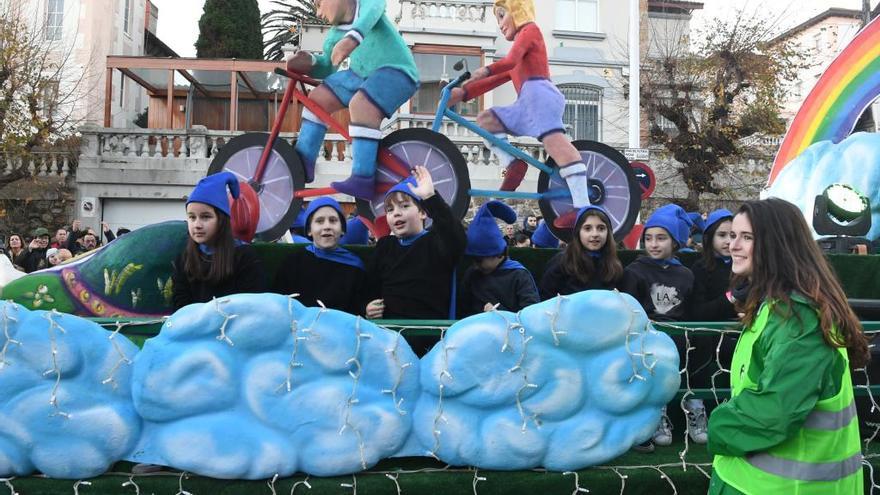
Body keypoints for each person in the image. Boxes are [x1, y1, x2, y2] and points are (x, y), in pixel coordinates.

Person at [708, 198, 869, 494]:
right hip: (753, 481)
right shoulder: (775, 307)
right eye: (733, 235)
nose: (734, 246)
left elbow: (773, 412)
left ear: (776, 244)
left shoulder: (798, 320)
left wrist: (716, 427)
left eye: (747, 237)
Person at [447, 0, 591, 223]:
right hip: (525, 101)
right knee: (486, 119)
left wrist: (485, 69)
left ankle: (583, 207)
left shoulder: (530, 30)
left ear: (518, 11)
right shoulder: (517, 50)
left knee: (555, 144)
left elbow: (509, 61)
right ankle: (512, 164)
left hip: (540, 95)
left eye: (502, 15)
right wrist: (462, 93)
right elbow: (495, 79)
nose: (500, 25)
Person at [286, 0, 419, 199]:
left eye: (319, 4)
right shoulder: (334, 35)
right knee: (317, 98)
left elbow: (374, 11)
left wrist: (351, 40)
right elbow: (327, 65)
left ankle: (363, 178)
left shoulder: (366, 4)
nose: (318, 12)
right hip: (361, 75)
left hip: (397, 71)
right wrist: (309, 63)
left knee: (361, 105)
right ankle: (303, 161)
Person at [363, 166, 467, 353]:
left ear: (422, 213)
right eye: (390, 209)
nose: (396, 213)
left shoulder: (435, 242)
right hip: (389, 338)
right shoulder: (385, 246)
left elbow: (454, 236)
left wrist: (430, 197)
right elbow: (369, 286)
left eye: (404, 206)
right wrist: (368, 306)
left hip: (429, 338)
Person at [620, 204, 697, 452]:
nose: (653, 244)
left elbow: (689, 308)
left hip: (678, 336)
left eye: (661, 238)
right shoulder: (634, 271)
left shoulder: (685, 274)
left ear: (674, 241)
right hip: (647, 338)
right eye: (649, 238)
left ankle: (693, 410)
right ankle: (656, 415)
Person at [171, 172, 267, 310]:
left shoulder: (245, 257)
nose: (197, 224)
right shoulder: (184, 259)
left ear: (221, 221)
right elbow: (180, 306)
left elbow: (252, 306)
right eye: (192, 217)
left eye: (205, 217)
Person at [273, 197, 366, 314]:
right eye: (319, 221)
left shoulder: (355, 267)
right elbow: (279, 304)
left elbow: (360, 308)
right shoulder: (293, 263)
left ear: (342, 229)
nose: (327, 226)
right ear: (309, 230)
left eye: (333, 220)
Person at [458, 200, 539, 317]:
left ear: (498, 254)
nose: (476, 265)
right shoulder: (472, 274)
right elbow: (462, 309)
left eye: (479, 260)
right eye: (473, 260)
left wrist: (500, 313)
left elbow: (531, 314)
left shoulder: (519, 275)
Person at [539, 206, 623, 300]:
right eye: (587, 228)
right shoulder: (561, 262)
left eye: (601, 228)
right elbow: (546, 300)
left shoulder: (614, 265)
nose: (595, 234)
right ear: (578, 232)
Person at [690, 209, 738, 321]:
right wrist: (731, 297)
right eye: (722, 235)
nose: (729, 241)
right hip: (710, 334)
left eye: (733, 235)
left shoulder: (744, 266)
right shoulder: (700, 268)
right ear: (709, 237)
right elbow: (697, 312)